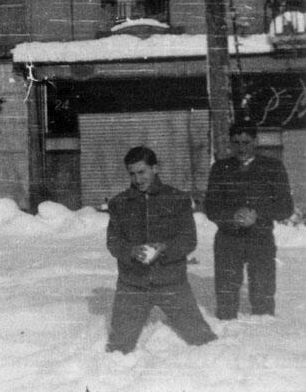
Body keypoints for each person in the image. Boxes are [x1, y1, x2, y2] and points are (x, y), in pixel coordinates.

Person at [105, 146, 217, 354]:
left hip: (171, 282)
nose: (137, 179)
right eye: (132, 173)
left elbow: (188, 239)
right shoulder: (119, 203)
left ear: (154, 168)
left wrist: (165, 248)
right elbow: (113, 241)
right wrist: (131, 251)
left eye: (142, 172)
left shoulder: (177, 199)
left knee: (203, 341)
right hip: (133, 284)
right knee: (118, 348)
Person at [204, 121, 294, 319]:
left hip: (260, 238)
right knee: (226, 303)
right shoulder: (220, 168)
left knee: (263, 298)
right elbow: (210, 207)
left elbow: (286, 207)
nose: (241, 148)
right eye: (236, 143)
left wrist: (257, 215)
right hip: (228, 240)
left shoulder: (273, 167)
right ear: (230, 143)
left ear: (256, 140)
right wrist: (232, 217)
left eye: (246, 142)